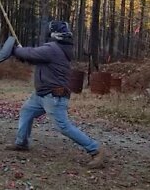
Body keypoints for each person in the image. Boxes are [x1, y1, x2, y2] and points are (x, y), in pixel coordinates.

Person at [6, 20, 106, 168]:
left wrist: (15, 50)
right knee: (26, 111)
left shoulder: (53, 49)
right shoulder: (58, 49)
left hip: (54, 96)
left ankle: (95, 150)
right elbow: (34, 57)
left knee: (63, 126)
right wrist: (21, 54)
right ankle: (22, 143)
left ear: (53, 33)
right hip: (42, 94)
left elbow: (32, 53)